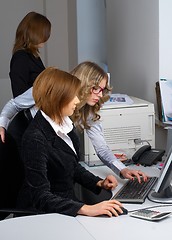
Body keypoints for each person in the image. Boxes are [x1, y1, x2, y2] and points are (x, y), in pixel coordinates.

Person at [0, 61, 147, 182]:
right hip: (21, 133)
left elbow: (101, 148)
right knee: (21, 183)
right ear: (84, 83)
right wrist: (2, 124)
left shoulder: (89, 108)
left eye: (102, 89)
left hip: (45, 142)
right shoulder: (53, 86)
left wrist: (123, 169)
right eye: (95, 88)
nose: (100, 95)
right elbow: (14, 105)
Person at [17, 66, 124, 217]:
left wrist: (98, 183)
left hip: (65, 205)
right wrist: (86, 208)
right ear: (58, 98)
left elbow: (72, 166)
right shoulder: (35, 138)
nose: (78, 100)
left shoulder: (65, 124)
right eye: (73, 96)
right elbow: (40, 196)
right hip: (44, 214)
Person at [9, 11, 51, 97]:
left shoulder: (33, 56)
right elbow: (19, 94)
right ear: (34, 33)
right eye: (44, 33)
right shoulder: (21, 58)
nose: (46, 37)